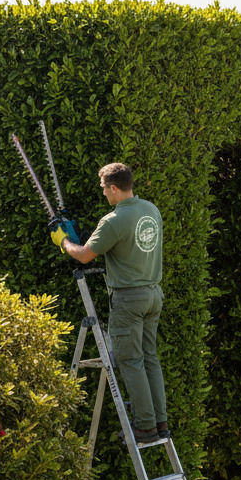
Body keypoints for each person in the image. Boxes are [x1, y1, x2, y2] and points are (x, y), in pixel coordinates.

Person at [52, 163, 168, 445]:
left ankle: (145, 427)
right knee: (150, 357)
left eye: (104, 187)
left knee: (130, 361)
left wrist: (63, 240)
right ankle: (160, 423)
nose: (103, 192)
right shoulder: (151, 210)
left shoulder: (113, 220)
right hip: (153, 294)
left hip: (129, 299)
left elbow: (83, 256)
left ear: (114, 188)